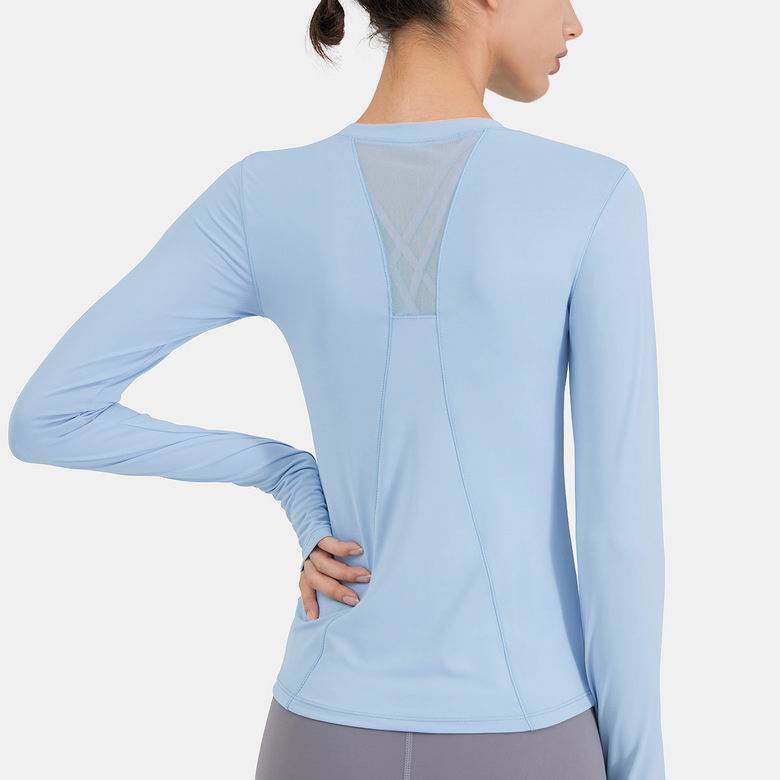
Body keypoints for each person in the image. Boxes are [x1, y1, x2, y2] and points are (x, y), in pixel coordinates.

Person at [7, 1, 666, 778]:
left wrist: (286, 473)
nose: (575, 21)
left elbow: (50, 416)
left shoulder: (264, 195)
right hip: (527, 736)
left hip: (321, 731)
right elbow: (620, 535)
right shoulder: (591, 196)